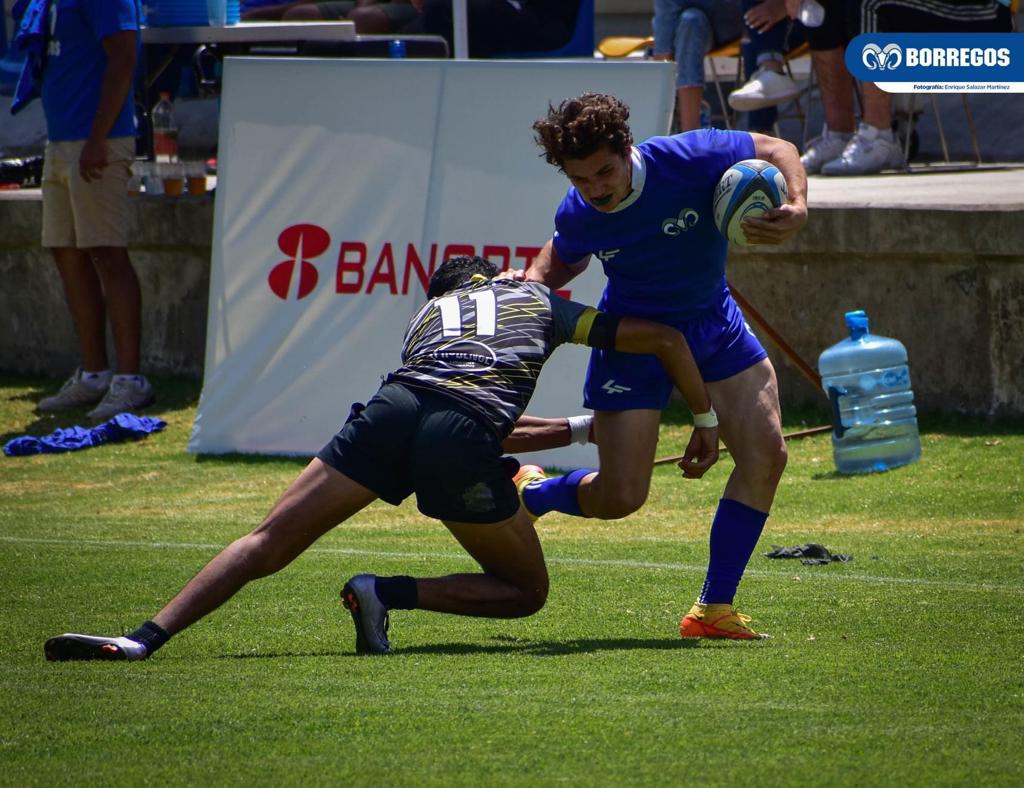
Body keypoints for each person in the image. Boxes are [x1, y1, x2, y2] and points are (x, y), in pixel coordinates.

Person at [44, 255, 720, 661]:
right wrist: (702, 417)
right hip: (459, 431)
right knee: (526, 593)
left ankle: (143, 638)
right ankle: (384, 593)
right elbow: (660, 340)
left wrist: (577, 428)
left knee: (266, 539)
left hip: (392, 409)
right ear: (488, 276)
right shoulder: (533, 299)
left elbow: (450, 415)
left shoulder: (424, 321)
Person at [516, 92, 807, 640]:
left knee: (766, 454)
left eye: (605, 172)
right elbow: (562, 256)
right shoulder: (580, 211)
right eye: (582, 180)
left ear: (627, 149)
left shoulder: (690, 156)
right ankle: (534, 492)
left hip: (713, 324)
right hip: (634, 339)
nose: (597, 189)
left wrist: (797, 202)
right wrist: (530, 285)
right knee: (621, 497)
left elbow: (778, 145)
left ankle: (712, 609)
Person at [32, 0, 155, 421]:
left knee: (107, 252)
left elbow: (124, 54)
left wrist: (99, 137)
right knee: (66, 253)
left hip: (96, 141)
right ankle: (95, 373)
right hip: (61, 140)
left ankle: (130, 380)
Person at [803, 0, 1013, 175]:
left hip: (986, 10)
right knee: (823, 5)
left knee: (868, 3)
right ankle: (839, 136)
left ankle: (878, 136)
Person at [652, 0, 744, 131]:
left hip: (734, 19)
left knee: (672, 7)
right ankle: (691, 135)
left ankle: (664, 98)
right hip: (695, 26)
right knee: (691, 21)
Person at [727, 0, 808, 130]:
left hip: (812, 14)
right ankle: (771, 67)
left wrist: (784, 6)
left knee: (755, 40)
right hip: (771, 25)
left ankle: (761, 137)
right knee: (753, 40)